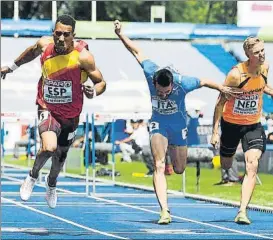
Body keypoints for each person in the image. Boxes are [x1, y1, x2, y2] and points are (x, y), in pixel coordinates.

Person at [114, 20, 238, 224]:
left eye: (167, 92)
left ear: (172, 84)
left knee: (179, 168)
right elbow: (136, 51)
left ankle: (172, 148)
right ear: (154, 83)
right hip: (158, 125)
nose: (163, 95)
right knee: (159, 165)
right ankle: (164, 210)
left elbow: (205, 81)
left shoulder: (183, 82)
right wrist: (120, 34)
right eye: (160, 92)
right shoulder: (150, 71)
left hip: (179, 127)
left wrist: (222, 88)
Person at [1, 15, 106, 208]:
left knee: (61, 155)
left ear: (73, 35)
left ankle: (51, 184)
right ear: (53, 33)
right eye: (58, 33)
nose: (61, 38)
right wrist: (11, 67)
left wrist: (94, 91)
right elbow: (30, 53)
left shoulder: (83, 57)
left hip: (71, 113)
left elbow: (101, 82)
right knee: (48, 147)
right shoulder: (44, 45)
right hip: (47, 106)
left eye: (66, 35)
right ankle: (32, 176)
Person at [211, 36, 273, 224]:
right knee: (226, 163)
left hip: (253, 125)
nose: (261, 55)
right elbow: (219, 103)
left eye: (263, 50)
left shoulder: (265, 68)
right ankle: (226, 163)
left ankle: (242, 211)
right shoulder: (236, 75)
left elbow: (262, 87)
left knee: (252, 164)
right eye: (257, 52)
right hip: (231, 124)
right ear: (248, 55)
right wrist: (215, 131)